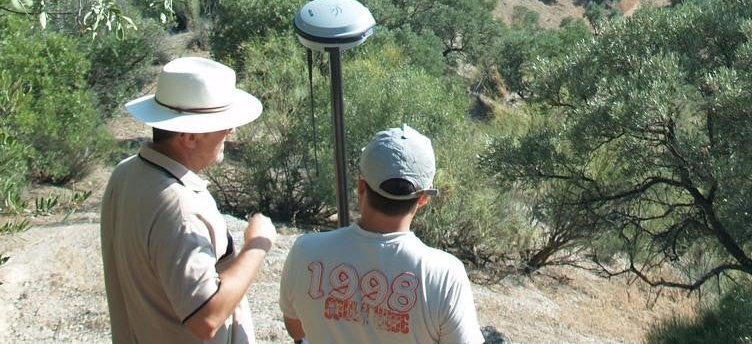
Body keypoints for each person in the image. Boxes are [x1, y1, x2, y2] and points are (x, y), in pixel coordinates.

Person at [101, 56, 276, 343]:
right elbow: (206, 318)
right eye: (223, 122)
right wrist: (257, 245)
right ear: (189, 137)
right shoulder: (180, 208)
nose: (231, 130)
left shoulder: (126, 172)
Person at [280, 125, 484, 344]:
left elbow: (296, 330)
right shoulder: (444, 275)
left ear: (361, 186)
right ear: (424, 198)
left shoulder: (305, 250)